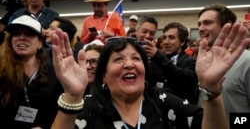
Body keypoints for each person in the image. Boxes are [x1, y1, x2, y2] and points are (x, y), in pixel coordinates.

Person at [50, 21, 250, 129]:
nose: (129, 64)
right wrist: (72, 96)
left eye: (136, 59)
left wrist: (212, 89)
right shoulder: (86, 108)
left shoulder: (165, 102)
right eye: (118, 59)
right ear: (103, 75)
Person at [0, 15, 63, 129]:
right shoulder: (2, 70)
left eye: (29, 34)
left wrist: (45, 127)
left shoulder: (54, 71)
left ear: (39, 43)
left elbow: (60, 109)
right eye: (16, 34)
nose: (22, 38)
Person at [198, 3, 250, 125]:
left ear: (227, 27)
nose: (200, 28)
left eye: (207, 23)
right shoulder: (204, 61)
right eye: (199, 24)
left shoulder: (247, 61)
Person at [142, 22, 198, 104]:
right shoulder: (156, 60)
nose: (166, 42)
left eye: (171, 38)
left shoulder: (190, 62)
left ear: (182, 42)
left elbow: (182, 79)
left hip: (179, 110)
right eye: (164, 38)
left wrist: (158, 56)